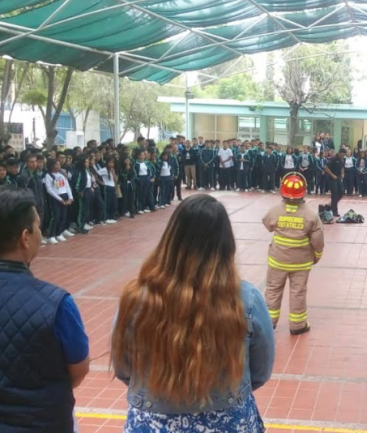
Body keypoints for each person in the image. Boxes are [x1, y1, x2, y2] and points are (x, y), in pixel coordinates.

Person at [111, 194, 274, 432]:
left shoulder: (137, 298)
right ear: (226, 243)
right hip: (228, 421)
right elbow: (260, 370)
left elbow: (124, 368)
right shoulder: (246, 299)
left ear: (171, 238)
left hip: (152, 423)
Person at [0, 188, 90, 432]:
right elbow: (78, 370)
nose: (41, 234)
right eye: (38, 227)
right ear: (25, 237)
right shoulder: (56, 303)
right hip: (43, 422)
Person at [262, 173, 324, 335]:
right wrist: (317, 256)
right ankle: (297, 325)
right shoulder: (311, 215)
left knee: (273, 290)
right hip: (301, 263)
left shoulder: (275, 211)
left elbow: (267, 224)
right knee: (298, 292)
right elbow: (318, 241)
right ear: (303, 191)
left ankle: (269, 324)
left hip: (277, 260)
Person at [324, 148, 345, 218]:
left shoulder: (341, 160)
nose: (343, 156)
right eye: (342, 155)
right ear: (339, 153)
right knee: (335, 194)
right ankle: (334, 211)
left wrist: (342, 173)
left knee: (341, 192)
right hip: (332, 179)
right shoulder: (334, 159)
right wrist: (332, 175)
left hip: (338, 178)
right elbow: (326, 168)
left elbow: (342, 167)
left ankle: (331, 205)